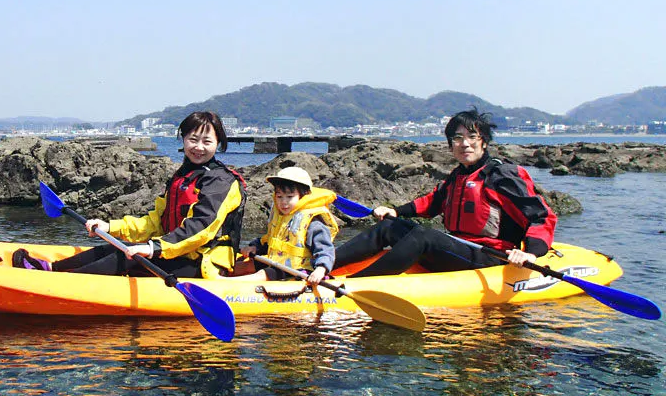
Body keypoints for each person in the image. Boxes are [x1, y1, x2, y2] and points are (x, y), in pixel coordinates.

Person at [334, 108, 557, 276]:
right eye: (457, 139)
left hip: (490, 257)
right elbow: (432, 203)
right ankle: (324, 263)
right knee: (390, 226)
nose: (465, 144)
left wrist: (530, 252)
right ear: (451, 145)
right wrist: (395, 211)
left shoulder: (502, 176)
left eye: (472, 137)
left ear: (484, 143)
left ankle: (358, 283)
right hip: (457, 249)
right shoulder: (459, 175)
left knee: (425, 235)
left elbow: (542, 216)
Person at [50, 111, 247, 279]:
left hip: (204, 264)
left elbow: (200, 228)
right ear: (184, 139)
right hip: (176, 254)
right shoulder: (182, 177)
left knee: (127, 258)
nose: (199, 147)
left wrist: (155, 248)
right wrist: (111, 227)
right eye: (193, 140)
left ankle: (62, 283)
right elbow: (154, 223)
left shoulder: (221, 181)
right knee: (117, 247)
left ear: (218, 143)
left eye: (207, 141)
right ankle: (50, 269)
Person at [238, 167, 338, 283]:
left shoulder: (314, 223)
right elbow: (271, 241)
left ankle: (226, 286)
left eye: (290, 197)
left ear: (303, 196)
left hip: (299, 270)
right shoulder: (282, 217)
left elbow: (326, 250)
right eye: (279, 196)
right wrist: (255, 247)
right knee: (244, 266)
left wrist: (321, 269)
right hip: (277, 263)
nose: (283, 202)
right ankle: (220, 278)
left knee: (263, 273)